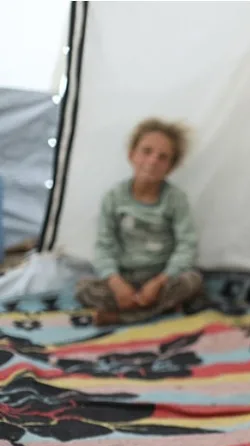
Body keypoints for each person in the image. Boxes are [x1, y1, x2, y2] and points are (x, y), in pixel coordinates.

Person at [76, 118, 203, 326]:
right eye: (146, 151)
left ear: (170, 167)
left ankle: (124, 317)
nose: (153, 161)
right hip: (126, 279)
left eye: (163, 157)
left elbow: (187, 245)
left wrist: (160, 281)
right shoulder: (114, 198)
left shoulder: (175, 199)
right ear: (131, 154)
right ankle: (157, 310)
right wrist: (116, 283)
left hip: (162, 279)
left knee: (192, 281)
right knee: (83, 288)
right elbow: (104, 246)